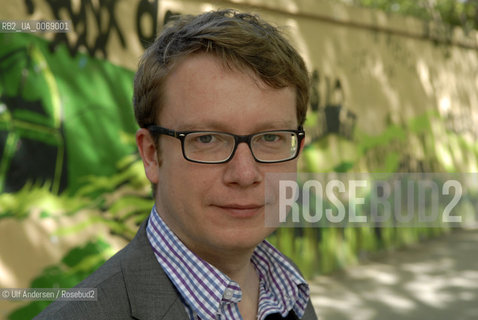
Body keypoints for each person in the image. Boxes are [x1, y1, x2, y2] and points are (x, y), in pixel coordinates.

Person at [35, 9, 317, 320]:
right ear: (152, 154)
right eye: (207, 139)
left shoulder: (290, 293)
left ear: (297, 150)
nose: (245, 174)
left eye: (271, 137)